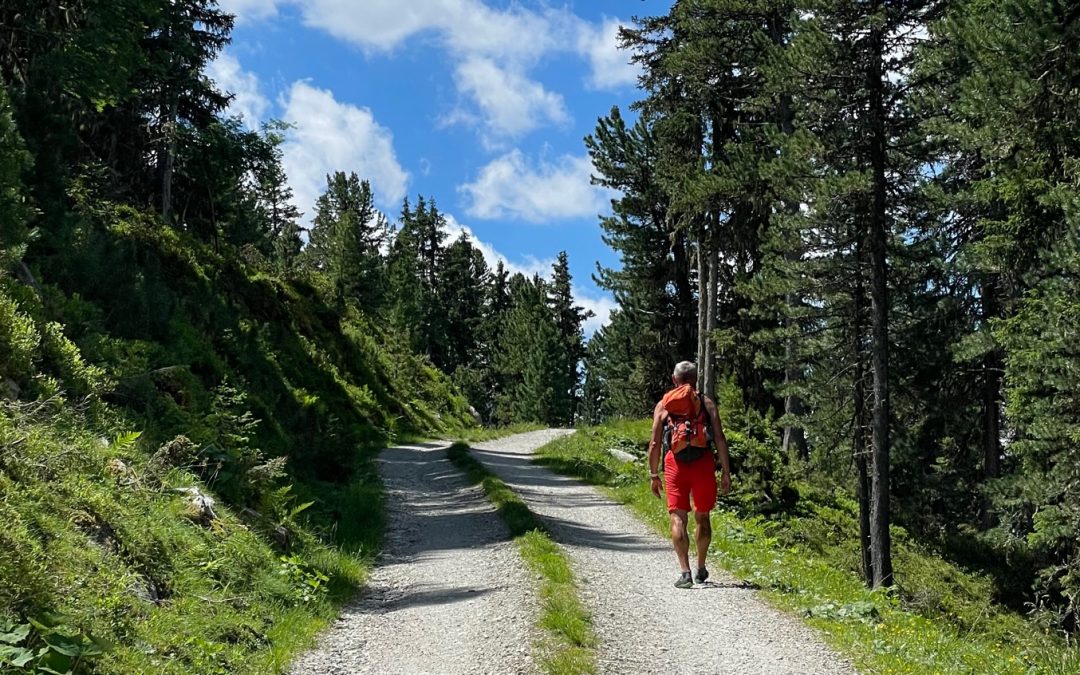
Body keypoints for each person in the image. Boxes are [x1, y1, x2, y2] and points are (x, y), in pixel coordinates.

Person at [648, 361, 732, 588]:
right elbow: (720, 438)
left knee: (677, 518)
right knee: (702, 516)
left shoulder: (664, 405)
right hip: (703, 463)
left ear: (674, 380)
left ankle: (684, 572)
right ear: (695, 380)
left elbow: (655, 442)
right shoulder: (706, 402)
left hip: (674, 464)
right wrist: (726, 471)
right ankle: (701, 567)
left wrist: (654, 474)